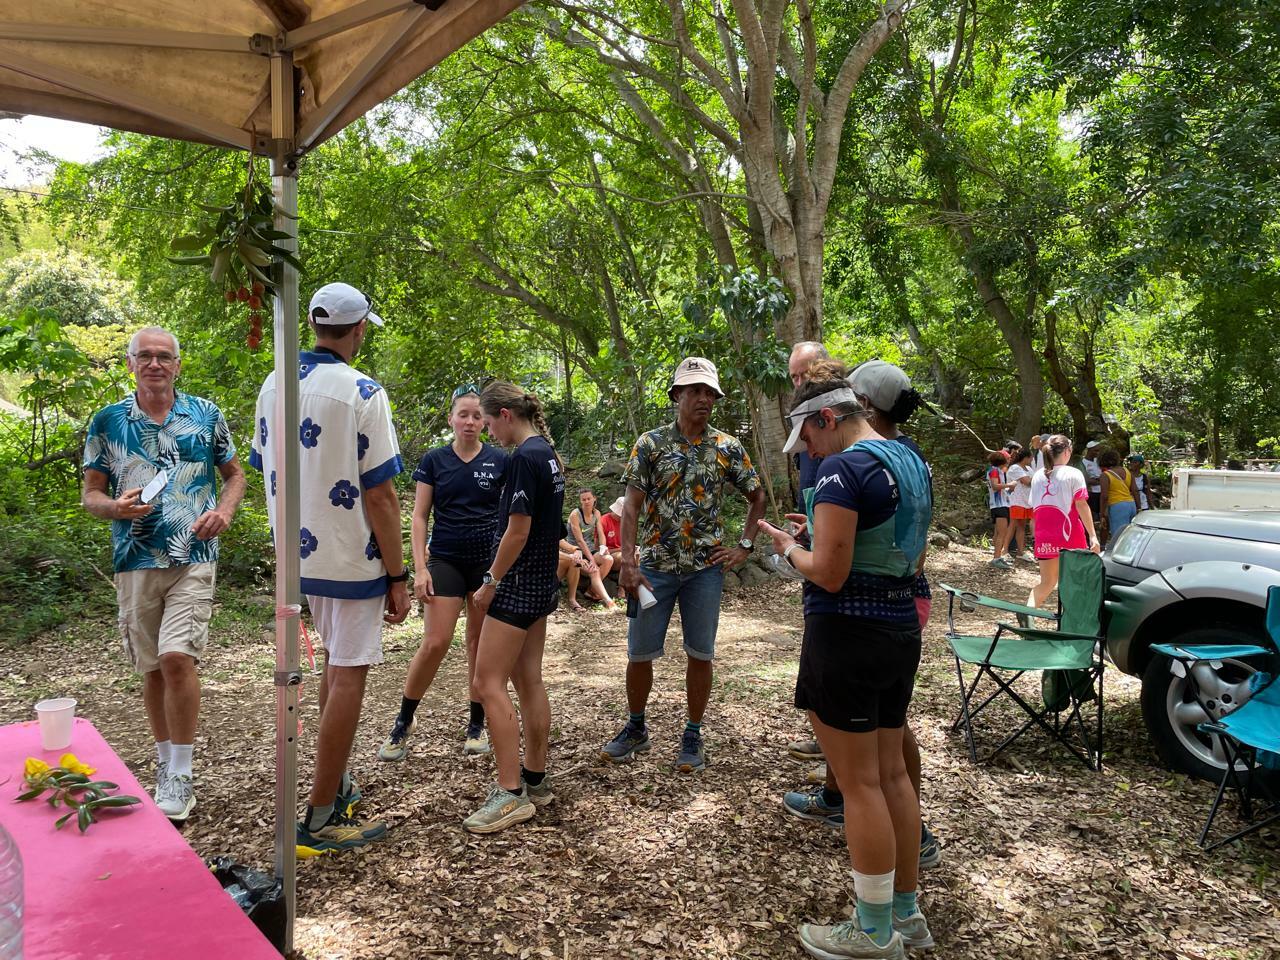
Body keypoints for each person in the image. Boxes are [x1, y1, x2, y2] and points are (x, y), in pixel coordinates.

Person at [760, 360, 934, 959]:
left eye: (807, 436)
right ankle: (907, 913)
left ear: (828, 417)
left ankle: (873, 930)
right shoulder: (908, 460)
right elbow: (897, 549)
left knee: (858, 785)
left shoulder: (843, 468)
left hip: (847, 636)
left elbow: (829, 574)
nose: (807, 450)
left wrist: (790, 549)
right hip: (898, 630)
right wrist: (821, 533)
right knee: (892, 776)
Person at [250, 282, 410, 855]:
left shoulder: (275, 382)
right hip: (350, 557)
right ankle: (319, 817)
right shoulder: (362, 391)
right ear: (359, 328)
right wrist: (398, 575)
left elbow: (264, 463)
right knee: (349, 673)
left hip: (299, 554)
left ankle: (335, 782)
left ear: (317, 325)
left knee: (335, 668)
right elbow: (381, 495)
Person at [81, 326, 246, 822]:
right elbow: (91, 494)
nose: (155, 364)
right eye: (145, 356)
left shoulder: (205, 414)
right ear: (130, 364)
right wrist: (114, 507)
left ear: (177, 364)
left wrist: (225, 512)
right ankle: (164, 759)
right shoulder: (108, 421)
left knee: (177, 658)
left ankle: (181, 773)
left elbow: (234, 474)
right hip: (134, 559)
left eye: (164, 356)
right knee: (152, 668)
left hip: (194, 553)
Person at [600, 356, 766, 773]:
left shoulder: (727, 447)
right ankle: (636, 727)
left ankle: (693, 733)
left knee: (701, 653)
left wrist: (744, 547)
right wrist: (628, 561)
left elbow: (757, 496)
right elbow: (631, 506)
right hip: (654, 568)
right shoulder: (651, 444)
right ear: (677, 395)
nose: (704, 399)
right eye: (695, 391)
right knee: (640, 652)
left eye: (710, 392)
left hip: (704, 571)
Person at [376, 384, 509, 763]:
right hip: (445, 560)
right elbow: (419, 517)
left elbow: (509, 515)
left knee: (478, 643)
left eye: (477, 415)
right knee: (435, 641)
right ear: (451, 419)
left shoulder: (500, 460)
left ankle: (476, 724)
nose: (470, 422)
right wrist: (418, 569)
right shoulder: (435, 460)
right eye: (463, 414)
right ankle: (404, 720)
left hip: (486, 564)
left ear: (485, 421)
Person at [464, 381, 566, 834]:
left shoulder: (525, 457)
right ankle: (535, 780)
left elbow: (518, 531)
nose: (489, 432)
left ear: (505, 414)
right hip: (540, 584)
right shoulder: (547, 452)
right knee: (528, 680)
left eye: (488, 422)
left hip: (517, 586)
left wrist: (491, 581)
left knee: (486, 682)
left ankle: (510, 793)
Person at [786, 341, 830, 764]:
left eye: (806, 374)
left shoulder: (837, 430)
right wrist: (810, 526)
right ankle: (831, 742)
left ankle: (840, 756)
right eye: (794, 376)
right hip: (816, 545)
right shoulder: (807, 424)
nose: (799, 383)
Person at [1028, 435, 1100, 609]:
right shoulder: (1073, 473)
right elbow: (1081, 505)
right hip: (1070, 534)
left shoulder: (1037, 476)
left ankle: (1028, 612)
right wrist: (1092, 535)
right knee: (1076, 581)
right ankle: (1072, 620)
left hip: (1044, 535)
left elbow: (1034, 510)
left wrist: (1036, 535)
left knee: (1047, 582)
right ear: (1067, 451)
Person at [565, 488, 619, 613]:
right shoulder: (575, 515)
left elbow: (600, 533)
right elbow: (579, 541)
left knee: (608, 559)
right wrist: (592, 560)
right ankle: (609, 602)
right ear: (580, 501)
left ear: (594, 498)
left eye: (589, 498)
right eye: (583, 499)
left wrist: (603, 547)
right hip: (576, 551)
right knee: (593, 570)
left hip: (590, 549)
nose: (586, 501)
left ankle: (592, 590)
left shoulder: (596, 513)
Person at [1098, 448, 1140, 542]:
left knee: (1119, 536)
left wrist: (1102, 514)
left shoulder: (1105, 475)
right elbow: (1135, 490)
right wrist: (1139, 507)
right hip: (1131, 504)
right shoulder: (1127, 471)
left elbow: (1104, 496)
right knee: (1130, 534)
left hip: (1117, 506)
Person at [986, 450, 1015, 568]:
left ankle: (998, 556)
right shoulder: (994, 471)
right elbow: (995, 486)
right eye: (1007, 459)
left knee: (1000, 533)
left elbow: (1001, 489)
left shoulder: (999, 471)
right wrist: (1010, 485)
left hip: (1002, 504)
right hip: (998, 505)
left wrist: (1009, 489)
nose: (1009, 461)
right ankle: (996, 558)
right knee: (1002, 533)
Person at [1005, 448, 1035, 560]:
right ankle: (1004, 551)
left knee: (1021, 526)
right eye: (1031, 457)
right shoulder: (1015, 468)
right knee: (1012, 525)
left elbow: (1031, 480)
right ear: (1025, 458)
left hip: (1026, 502)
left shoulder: (1029, 469)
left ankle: (1020, 552)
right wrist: (1038, 478)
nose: (1032, 459)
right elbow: (1027, 481)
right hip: (1016, 501)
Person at [599, 496, 625, 569]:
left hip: (623, 551)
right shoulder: (603, 521)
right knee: (621, 557)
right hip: (609, 555)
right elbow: (598, 549)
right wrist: (619, 549)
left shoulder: (625, 522)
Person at [1081, 440, 1103, 521]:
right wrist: (1101, 481)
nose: (1098, 453)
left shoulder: (1098, 461)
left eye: (1099, 450)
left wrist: (1097, 480)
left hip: (1101, 492)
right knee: (1093, 514)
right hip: (1092, 493)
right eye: (1096, 450)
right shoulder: (1083, 463)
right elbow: (1087, 480)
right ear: (1089, 450)